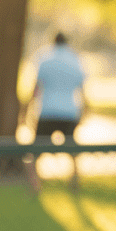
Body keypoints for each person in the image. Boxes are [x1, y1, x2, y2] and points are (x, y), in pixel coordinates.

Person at [29, 32, 87, 191]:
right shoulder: (74, 59)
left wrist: (27, 110)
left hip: (47, 110)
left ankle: (35, 184)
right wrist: (85, 109)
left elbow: (36, 87)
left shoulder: (44, 58)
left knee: (36, 151)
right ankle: (74, 181)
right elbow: (81, 88)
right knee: (72, 150)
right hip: (69, 111)